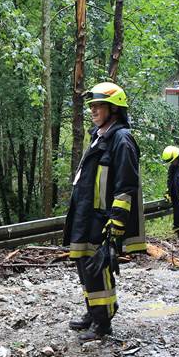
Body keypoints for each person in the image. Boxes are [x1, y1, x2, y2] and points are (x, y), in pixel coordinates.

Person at [62, 82, 146, 342]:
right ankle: (93, 312)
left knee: (97, 269)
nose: (93, 110)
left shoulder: (122, 140)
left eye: (99, 105)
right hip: (85, 215)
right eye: (92, 106)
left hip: (101, 219)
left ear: (115, 109)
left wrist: (116, 222)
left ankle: (103, 323)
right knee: (84, 266)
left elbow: (126, 186)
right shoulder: (99, 136)